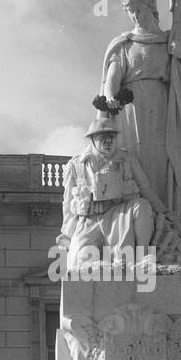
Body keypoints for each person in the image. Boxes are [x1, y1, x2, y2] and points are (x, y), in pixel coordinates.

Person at [98, 0, 181, 237]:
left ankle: (163, 228)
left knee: (161, 170)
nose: (135, 16)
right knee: (133, 169)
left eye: (139, 9)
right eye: (130, 10)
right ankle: (133, 230)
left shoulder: (171, 42)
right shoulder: (124, 44)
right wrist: (110, 95)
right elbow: (111, 79)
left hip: (164, 114)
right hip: (131, 116)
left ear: (151, 7)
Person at [58, 116, 169, 274]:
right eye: (104, 137)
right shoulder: (76, 165)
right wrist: (67, 234)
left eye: (111, 137)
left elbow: (146, 188)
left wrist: (162, 211)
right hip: (89, 221)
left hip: (119, 214)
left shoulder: (126, 159)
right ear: (93, 139)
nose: (108, 141)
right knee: (82, 263)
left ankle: (143, 257)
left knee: (142, 206)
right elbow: (68, 202)